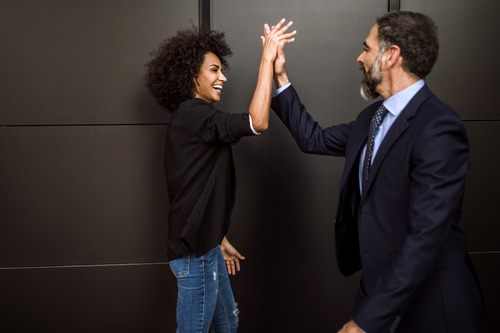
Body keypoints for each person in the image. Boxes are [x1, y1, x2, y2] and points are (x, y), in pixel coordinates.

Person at [268, 11, 485, 333]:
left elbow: (426, 236)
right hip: (376, 296)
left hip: (431, 310)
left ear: (391, 56)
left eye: (367, 48)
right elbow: (313, 138)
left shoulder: (439, 127)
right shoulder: (371, 119)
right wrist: (281, 77)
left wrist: (365, 322)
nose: (360, 57)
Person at [145, 20, 295, 332]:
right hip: (195, 254)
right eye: (214, 70)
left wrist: (217, 237)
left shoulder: (190, 119)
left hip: (205, 246)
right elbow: (258, 121)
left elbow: (190, 187)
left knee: (227, 323)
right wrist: (267, 61)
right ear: (191, 75)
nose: (222, 77)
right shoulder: (194, 113)